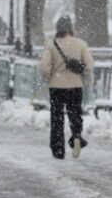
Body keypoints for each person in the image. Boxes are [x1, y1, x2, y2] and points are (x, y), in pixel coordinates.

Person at [38, 15, 95, 160]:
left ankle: (58, 149)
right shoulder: (81, 44)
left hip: (56, 86)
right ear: (71, 28)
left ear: (58, 29)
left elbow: (44, 67)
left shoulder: (52, 45)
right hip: (75, 86)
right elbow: (89, 66)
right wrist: (81, 72)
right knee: (75, 114)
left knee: (57, 118)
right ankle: (76, 136)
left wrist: (48, 76)